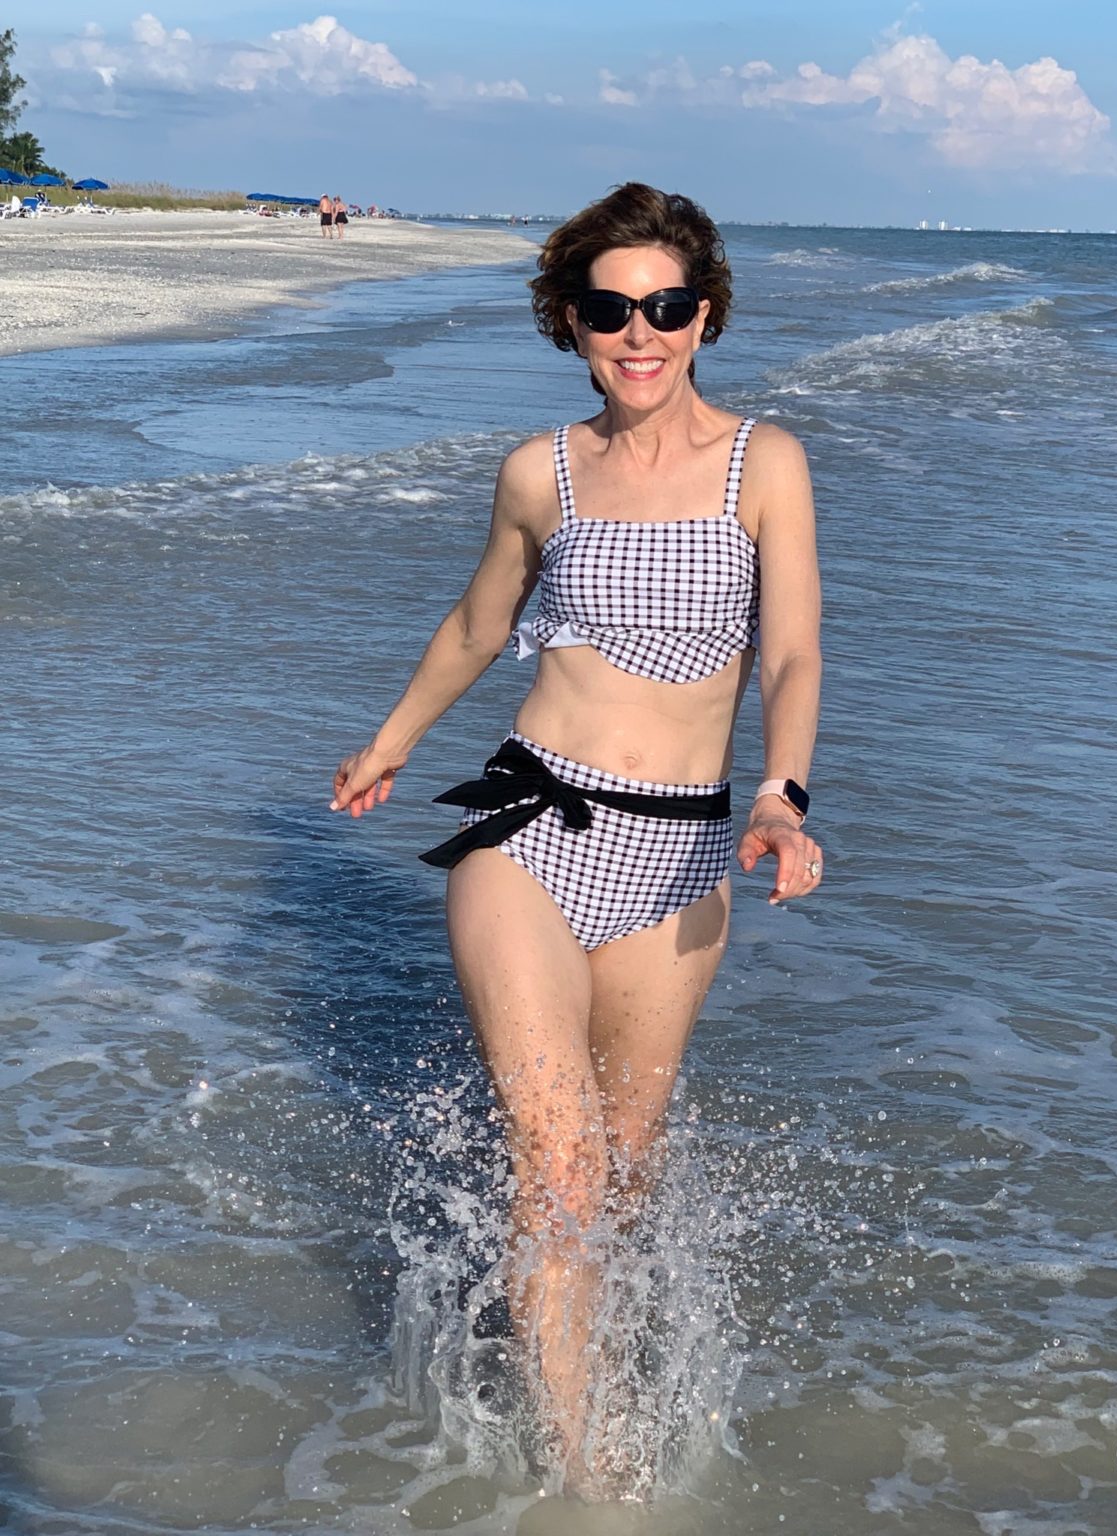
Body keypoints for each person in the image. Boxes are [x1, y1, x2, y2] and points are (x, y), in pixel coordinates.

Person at [330, 181, 822, 1498]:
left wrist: (781, 794)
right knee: (558, 1166)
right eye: (609, 309)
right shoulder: (536, 471)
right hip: (527, 824)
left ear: (703, 315)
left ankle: (573, 1332)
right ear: (570, 321)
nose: (638, 332)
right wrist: (389, 740)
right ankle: (585, 1469)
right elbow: (478, 627)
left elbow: (789, 649)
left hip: (679, 856)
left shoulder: (761, 463)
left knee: (624, 1166)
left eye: (664, 306)